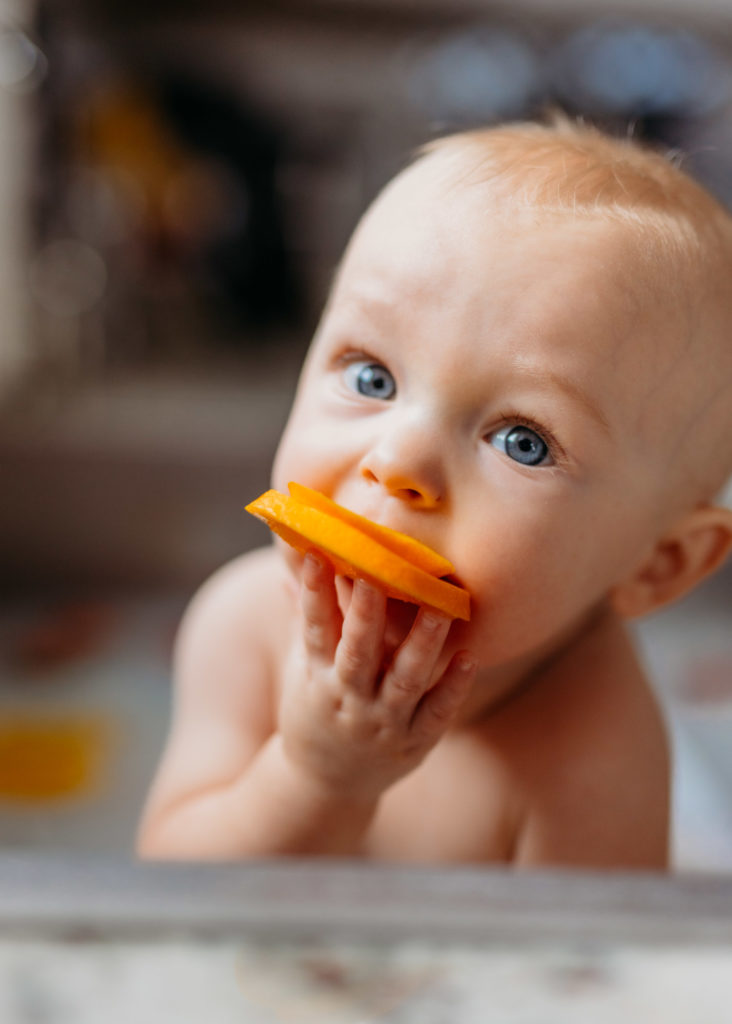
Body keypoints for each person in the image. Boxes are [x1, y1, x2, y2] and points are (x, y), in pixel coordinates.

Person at [137, 117, 732, 867]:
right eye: (371, 377)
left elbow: (579, 979)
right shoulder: (245, 628)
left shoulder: (594, 743)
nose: (397, 461)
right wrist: (316, 778)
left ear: (659, 565)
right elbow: (171, 894)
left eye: (524, 441)